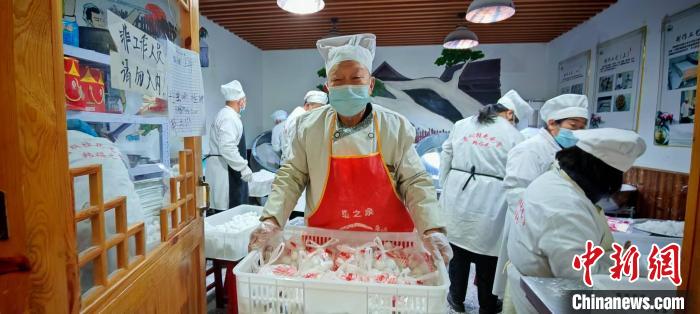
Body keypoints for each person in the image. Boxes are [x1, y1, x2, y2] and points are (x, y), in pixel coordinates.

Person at [248, 33, 452, 265]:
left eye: (356, 78)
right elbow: (291, 176)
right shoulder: (309, 126)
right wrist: (272, 220)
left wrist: (431, 229)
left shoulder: (394, 126)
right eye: (337, 80)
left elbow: (415, 181)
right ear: (328, 87)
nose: (347, 86)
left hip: (386, 249)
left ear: (371, 84)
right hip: (325, 249)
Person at [506, 128, 646, 313]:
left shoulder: (554, 178)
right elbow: (578, 276)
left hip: (535, 284)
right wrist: (629, 267)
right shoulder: (564, 206)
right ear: (598, 176)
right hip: (546, 299)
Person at [439, 90, 532, 314]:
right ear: (510, 114)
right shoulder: (516, 137)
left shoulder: (462, 124)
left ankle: (456, 299)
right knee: (488, 258)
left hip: (457, 195)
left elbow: (446, 155)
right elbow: (518, 176)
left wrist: (447, 185)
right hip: (492, 202)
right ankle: (487, 305)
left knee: (457, 252)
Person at [493, 94, 589, 302]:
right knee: (524, 290)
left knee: (549, 291)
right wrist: (540, 222)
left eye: (583, 127)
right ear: (552, 123)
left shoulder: (569, 151)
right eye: (574, 126)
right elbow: (516, 191)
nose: (579, 133)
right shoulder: (529, 149)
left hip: (555, 227)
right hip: (529, 229)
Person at [205, 80, 253, 212]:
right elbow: (227, 147)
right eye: (244, 99)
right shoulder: (229, 118)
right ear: (240, 101)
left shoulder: (228, 115)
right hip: (226, 172)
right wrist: (243, 167)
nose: (245, 102)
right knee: (229, 212)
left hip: (227, 168)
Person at [281, 90, 328, 161]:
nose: (320, 113)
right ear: (307, 106)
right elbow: (295, 148)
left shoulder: (304, 116)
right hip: (294, 164)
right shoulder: (298, 119)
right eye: (318, 109)